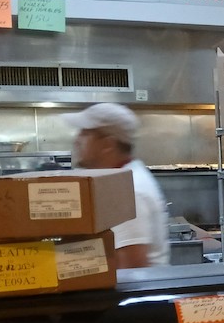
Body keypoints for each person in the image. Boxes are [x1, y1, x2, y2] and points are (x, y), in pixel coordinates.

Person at [63, 103, 170, 267]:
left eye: (85, 133)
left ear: (107, 145)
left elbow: (133, 268)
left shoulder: (128, 191)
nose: (77, 140)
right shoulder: (119, 179)